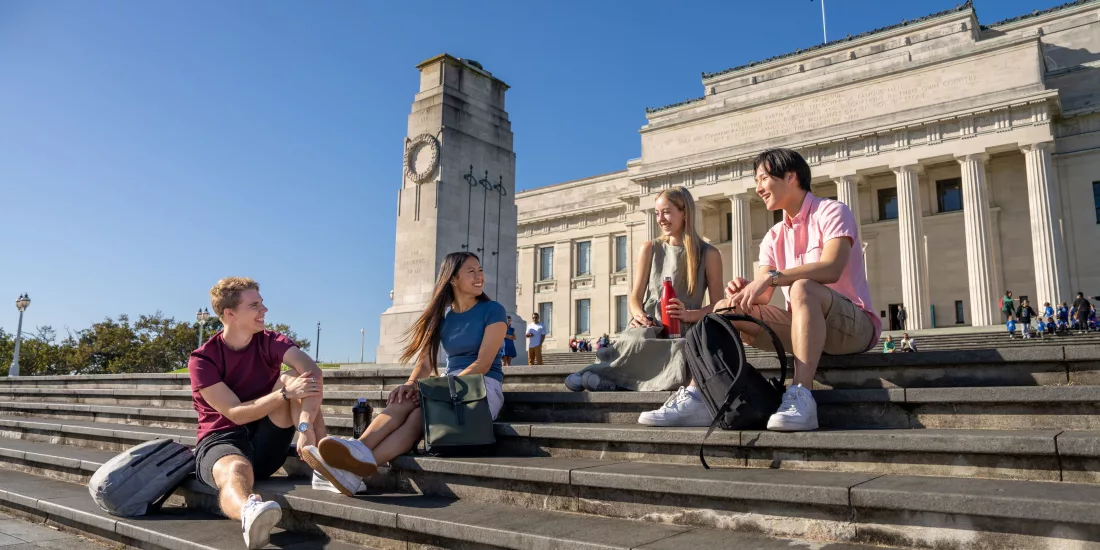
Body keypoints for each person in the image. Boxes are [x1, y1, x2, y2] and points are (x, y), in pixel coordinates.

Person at [640, 148, 880, 432]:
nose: (758, 188)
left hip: (853, 328)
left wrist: (773, 278)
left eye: (763, 178)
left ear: (790, 177)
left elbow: (832, 268)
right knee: (724, 309)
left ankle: (801, 394)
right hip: (802, 328)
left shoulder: (832, 211)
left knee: (803, 288)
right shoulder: (774, 236)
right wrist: (745, 291)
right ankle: (702, 395)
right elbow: (764, 295)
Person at [305, 252, 507, 496]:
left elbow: (483, 363)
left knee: (421, 413)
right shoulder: (443, 318)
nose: (479, 276)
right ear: (452, 279)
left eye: (480, 270)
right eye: (471, 271)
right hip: (448, 386)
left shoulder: (493, 310)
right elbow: (424, 363)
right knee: (406, 401)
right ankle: (356, 453)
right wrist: (411, 383)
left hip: (481, 388)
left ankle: (349, 469)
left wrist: (440, 388)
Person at [188, 277, 326, 549]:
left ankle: (322, 458)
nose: (264, 310)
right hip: (221, 440)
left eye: (261, 303)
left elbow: (313, 373)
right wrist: (285, 394)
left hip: (266, 441)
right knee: (236, 468)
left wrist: (305, 425)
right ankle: (249, 512)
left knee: (293, 376)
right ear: (230, 314)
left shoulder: (270, 341)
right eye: (254, 305)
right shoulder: (203, 359)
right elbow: (236, 414)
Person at [564, 186, 724, 395]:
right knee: (638, 340)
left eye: (666, 212)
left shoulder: (709, 253)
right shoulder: (650, 248)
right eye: (657, 213)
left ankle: (612, 382)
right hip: (652, 322)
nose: (661, 219)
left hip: (686, 325)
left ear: (684, 212)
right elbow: (635, 297)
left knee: (679, 350)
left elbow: (719, 305)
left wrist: (690, 314)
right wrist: (638, 314)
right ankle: (599, 373)